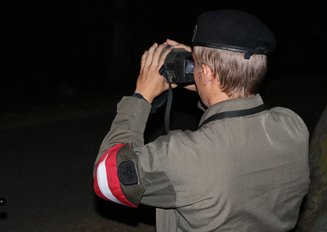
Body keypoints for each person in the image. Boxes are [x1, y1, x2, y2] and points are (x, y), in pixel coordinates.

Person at [93, 9, 310, 231]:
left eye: (194, 63)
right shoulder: (293, 127)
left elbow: (106, 179)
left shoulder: (182, 155)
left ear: (206, 73)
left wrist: (141, 97)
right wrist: (208, 74)